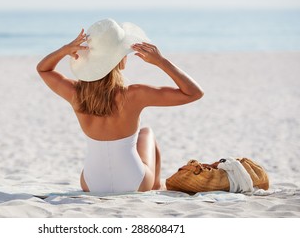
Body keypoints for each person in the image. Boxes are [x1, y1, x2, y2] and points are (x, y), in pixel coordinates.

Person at [36, 19, 204, 193]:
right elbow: (194, 93)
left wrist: (64, 50)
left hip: (92, 183)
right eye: (124, 52)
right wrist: (161, 61)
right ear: (118, 59)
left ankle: (151, 184)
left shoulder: (75, 94)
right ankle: (155, 185)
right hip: (135, 181)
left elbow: (43, 69)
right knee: (146, 133)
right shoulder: (134, 94)